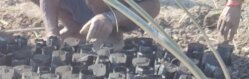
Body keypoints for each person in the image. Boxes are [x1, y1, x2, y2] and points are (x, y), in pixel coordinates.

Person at [29, 0, 161, 42]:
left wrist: (110, 18)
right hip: (82, 8)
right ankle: (73, 26)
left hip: (121, 14)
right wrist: (52, 32)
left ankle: (109, 34)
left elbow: (153, 5)